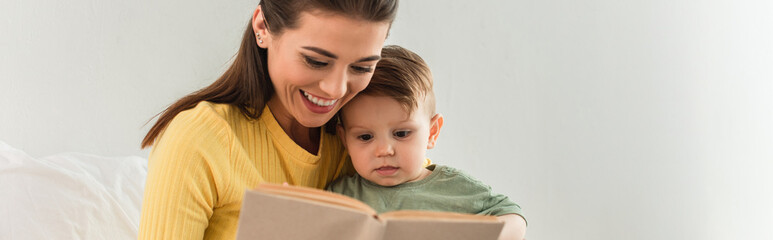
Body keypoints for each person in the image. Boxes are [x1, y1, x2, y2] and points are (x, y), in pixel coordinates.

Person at [138, 0, 398, 239]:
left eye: (362, 68)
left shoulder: (367, 141)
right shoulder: (199, 139)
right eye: (316, 61)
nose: (336, 90)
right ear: (263, 27)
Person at [327, 45, 528, 240]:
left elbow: (514, 219)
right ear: (345, 140)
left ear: (432, 132)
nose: (384, 150)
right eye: (365, 137)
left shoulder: (454, 188)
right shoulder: (340, 196)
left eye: (402, 133)